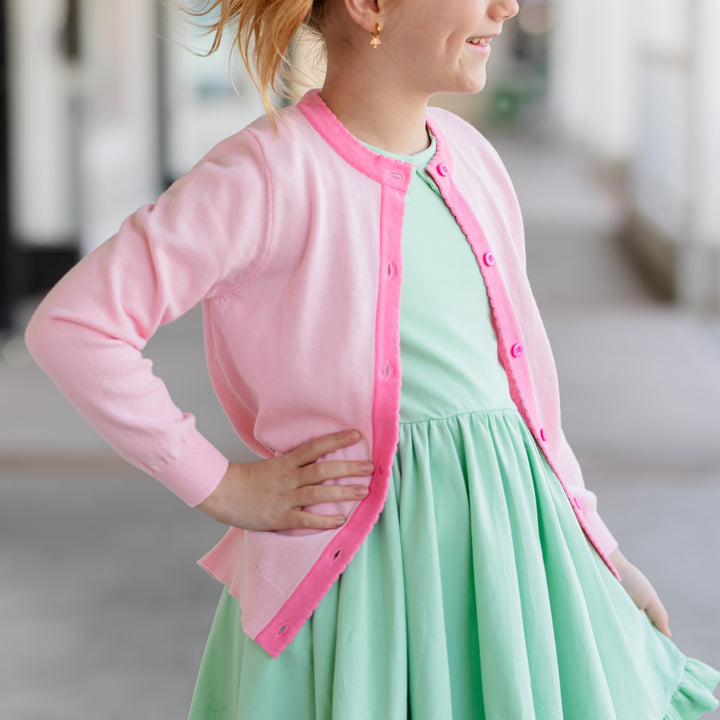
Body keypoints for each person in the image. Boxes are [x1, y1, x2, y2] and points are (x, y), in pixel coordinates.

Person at [25, 0, 720, 717]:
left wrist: (598, 550)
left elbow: (529, 408)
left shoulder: (474, 160)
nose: (506, 5)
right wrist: (220, 484)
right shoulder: (266, 174)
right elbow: (75, 325)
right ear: (371, 6)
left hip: (512, 578)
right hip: (358, 597)